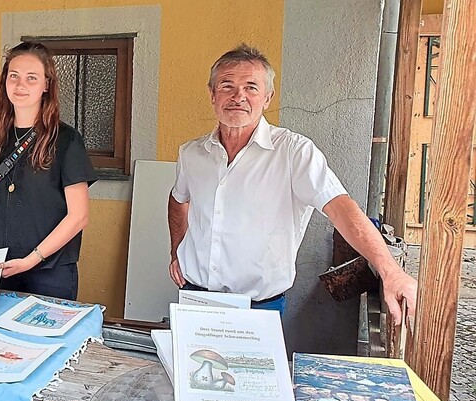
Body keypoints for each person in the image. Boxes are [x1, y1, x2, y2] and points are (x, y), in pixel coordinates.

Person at [167, 44, 417, 322]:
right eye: (227, 86)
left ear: (267, 98)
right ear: (213, 94)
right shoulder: (192, 153)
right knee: (194, 367)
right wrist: (176, 250)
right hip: (194, 297)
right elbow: (179, 199)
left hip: (258, 308)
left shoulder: (294, 152)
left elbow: (340, 208)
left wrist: (390, 270)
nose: (238, 96)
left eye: (251, 87)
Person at [0, 42, 96, 300]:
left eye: (31, 78)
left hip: (48, 272)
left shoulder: (66, 140)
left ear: (46, 84)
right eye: (14, 76)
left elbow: (78, 217)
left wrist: (32, 260)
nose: (21, 85)